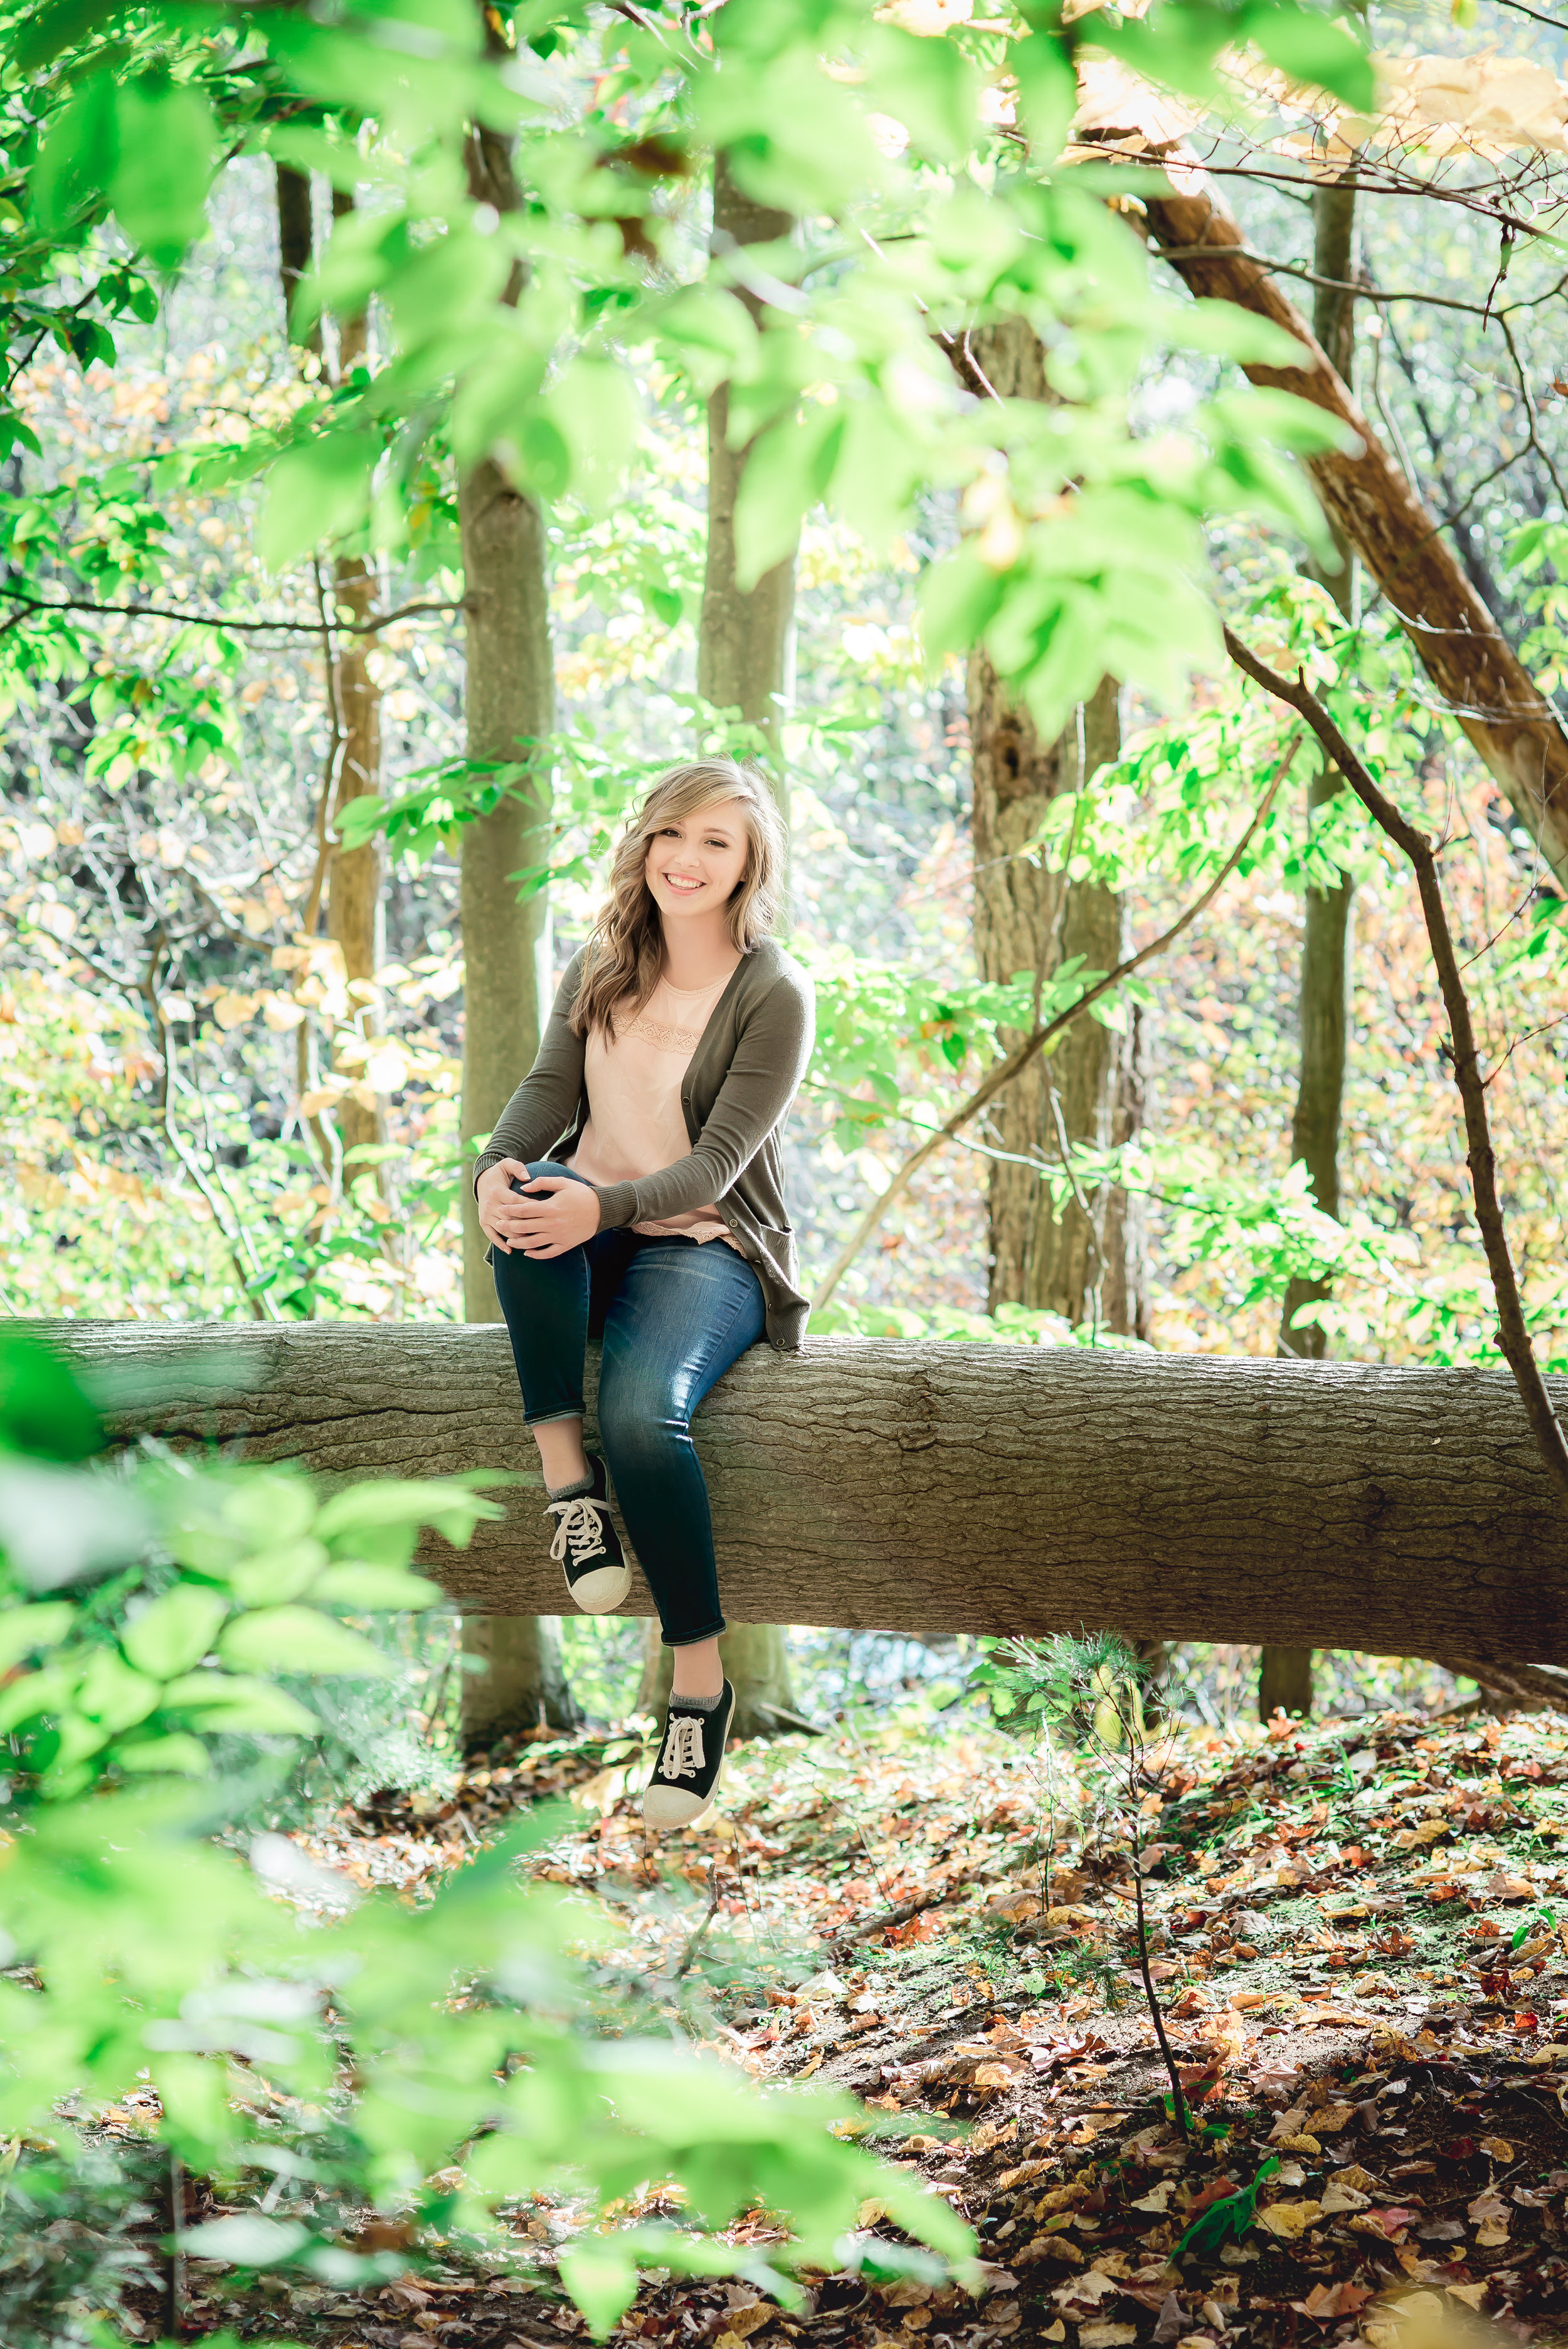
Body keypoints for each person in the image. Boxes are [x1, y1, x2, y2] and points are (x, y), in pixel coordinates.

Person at [473, 759, 814, 1828]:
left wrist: (598, 1207)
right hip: (593, 1222)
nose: (689, 857)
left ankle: (699, 1686)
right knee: (529, 1196)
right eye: (674, 832)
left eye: (718, 840)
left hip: (702, 1243)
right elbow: (544, 1092)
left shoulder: (773, 992)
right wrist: (494, 1165)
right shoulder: (603, 959)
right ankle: (570, 1490)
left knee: (643, 1415)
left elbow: (714, 1168)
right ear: (645, 842)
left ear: (750, 862)